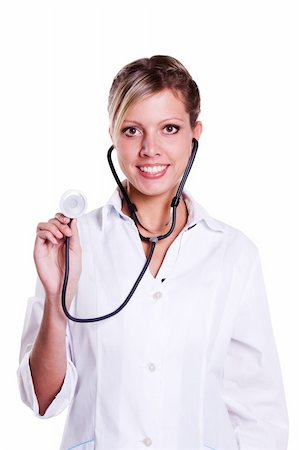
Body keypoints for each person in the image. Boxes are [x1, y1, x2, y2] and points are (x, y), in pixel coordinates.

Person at [18, 55, 288, 450]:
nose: (150, 149)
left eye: (170, 128)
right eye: (132, 130)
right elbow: (43, 401)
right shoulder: (75, 244)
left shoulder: (233, 254)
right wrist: (59, 303)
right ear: (112, 133)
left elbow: (260, 415)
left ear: (194, 134)